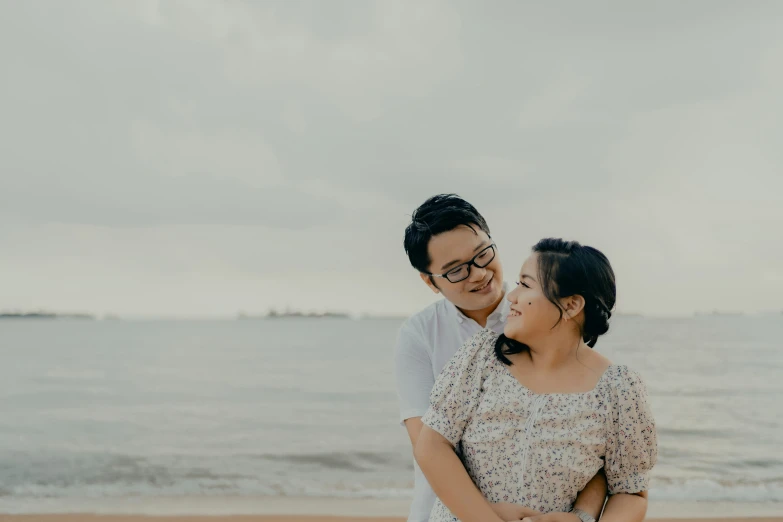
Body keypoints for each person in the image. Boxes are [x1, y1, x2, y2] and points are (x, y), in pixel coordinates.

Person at [395, 195, 607, 522]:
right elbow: (428, 444)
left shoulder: (544, 314)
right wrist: (486, 515)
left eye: (483, 255)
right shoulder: (420, 334)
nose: (479, 274)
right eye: (456, 270)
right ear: (429, 280)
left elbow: (593, 443)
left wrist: (582, 517)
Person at [415, 238, 658, 522]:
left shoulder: (619, 389)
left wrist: (581, 519)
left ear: (571, 305)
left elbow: (629, 491)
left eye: (526, 285)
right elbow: (431, 446)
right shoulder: (480, 357)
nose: (512, 296)